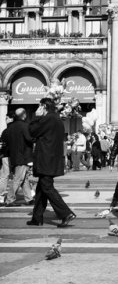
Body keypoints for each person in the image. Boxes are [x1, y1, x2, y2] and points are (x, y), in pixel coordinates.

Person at [27, 97, 76, 227]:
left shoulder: (48, 118)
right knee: (41, 189)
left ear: (44, 106)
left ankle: (65, 213)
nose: (38, 109)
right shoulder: (56, 118)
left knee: (47, 187)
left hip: (46, 159)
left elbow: (32, 131)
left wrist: (36, 117)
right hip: (51, 159)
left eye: (39, 106)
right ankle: (37, 218)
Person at [4, 108, 34, 206]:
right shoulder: (25, 126)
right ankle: (9, 199)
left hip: (14, 156)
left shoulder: (10, 127)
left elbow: (6, 141)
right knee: (18, 179)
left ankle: (29, 198)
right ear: (24, 115)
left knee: (24, 179)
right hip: (23, 156)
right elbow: (29, 139)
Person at [0, 112, 15, 205]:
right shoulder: (12, 130)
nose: (5, 120)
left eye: (7, 118)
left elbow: (3, 145)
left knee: (5, 176)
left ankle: (2, 195)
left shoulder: (6, 131)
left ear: (11, 119)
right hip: (14, 156)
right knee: (19, 176)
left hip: (6, 155)